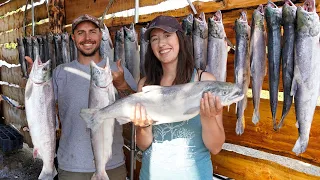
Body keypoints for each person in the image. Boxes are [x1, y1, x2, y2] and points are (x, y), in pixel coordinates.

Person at [26, 14, 137, 180]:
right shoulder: (59, 73)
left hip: (111, 166)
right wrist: (36, 86)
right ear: (73, 38)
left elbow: (137, 113)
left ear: (101, 35)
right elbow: (41, 111)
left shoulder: (118, 71)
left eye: (92, 31)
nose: (87, 38)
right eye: (80, 33)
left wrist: (122, 85)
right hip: (71, 167)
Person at [131, 15, 225, 180]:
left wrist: (208, 119)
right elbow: (142, 144)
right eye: (154, 39)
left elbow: (216, 147)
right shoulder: (145, 86)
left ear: (180, 39)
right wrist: (143, 128)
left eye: (167, 35)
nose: (161, 43)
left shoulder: (205, 81)